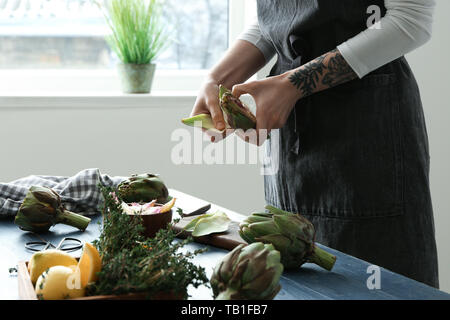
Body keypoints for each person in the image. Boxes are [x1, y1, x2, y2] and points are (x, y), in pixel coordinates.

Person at [190, 0, 439, 288]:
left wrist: (294, 84)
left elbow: (412, 20)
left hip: (367, 129)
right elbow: (277, 21)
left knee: (381, 286)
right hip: (291, 138)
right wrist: (216, 79)